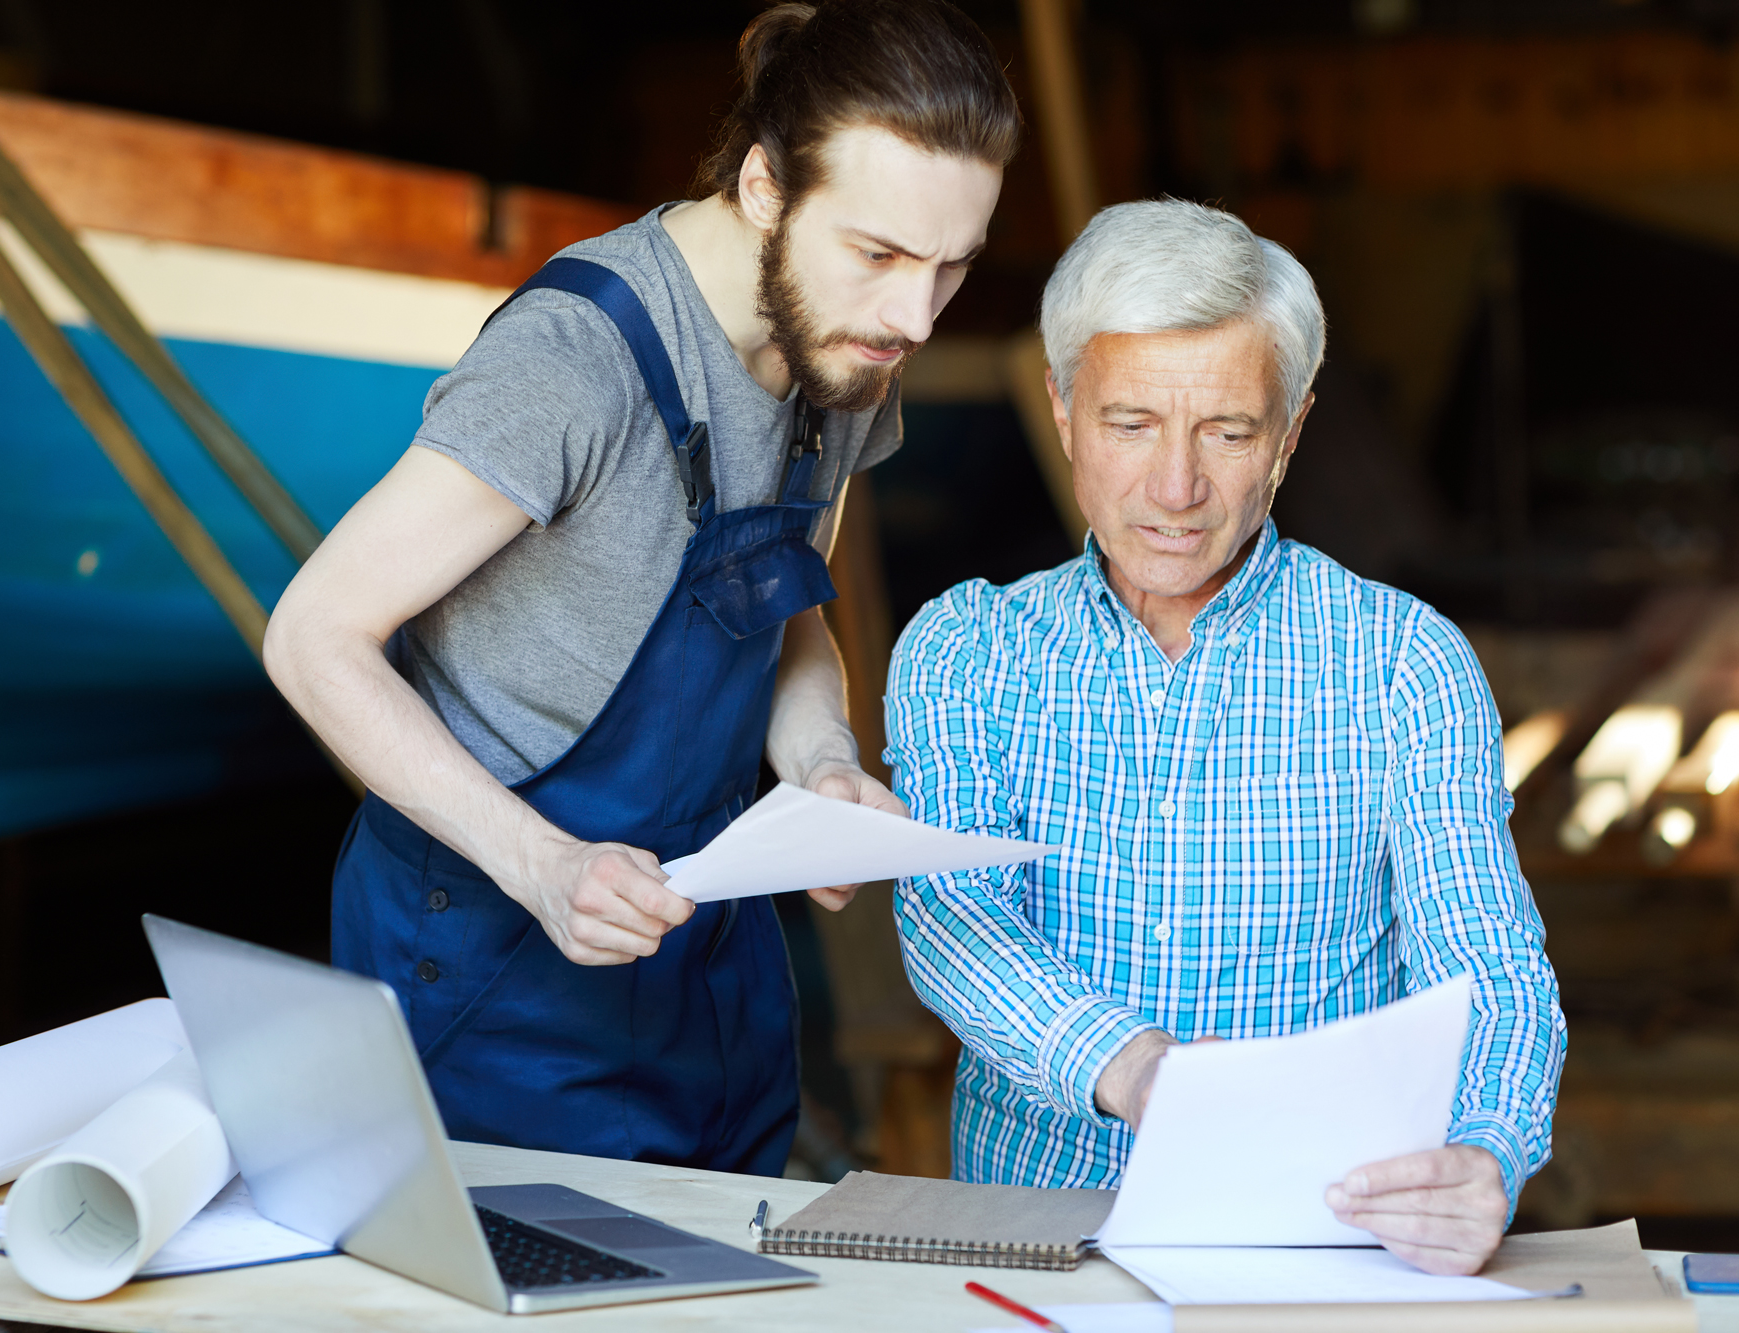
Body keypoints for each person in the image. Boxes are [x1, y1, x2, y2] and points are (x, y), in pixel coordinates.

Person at [263, 0, 1017, 1176]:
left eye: (951, 268)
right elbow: (313, 636)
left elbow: (788, 602)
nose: (912, 317)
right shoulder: (571, 364)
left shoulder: (847, 354)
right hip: (490, 965)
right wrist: (542, 864)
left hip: (702, 961)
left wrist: (820, 763)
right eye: (877, 254)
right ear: (764, 188)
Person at [886, 199, 1566, 1275]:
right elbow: (947, 914)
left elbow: (1483, 961)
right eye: (1129, 424)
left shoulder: (1402, 661)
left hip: (1320, 1242)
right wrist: (1135, 1067)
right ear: (1061, 410)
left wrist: (1484, 1152)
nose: (1174, 489)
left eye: (1227, 431)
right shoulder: (968, 648)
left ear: (1288, 435)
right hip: (1034, 1239)